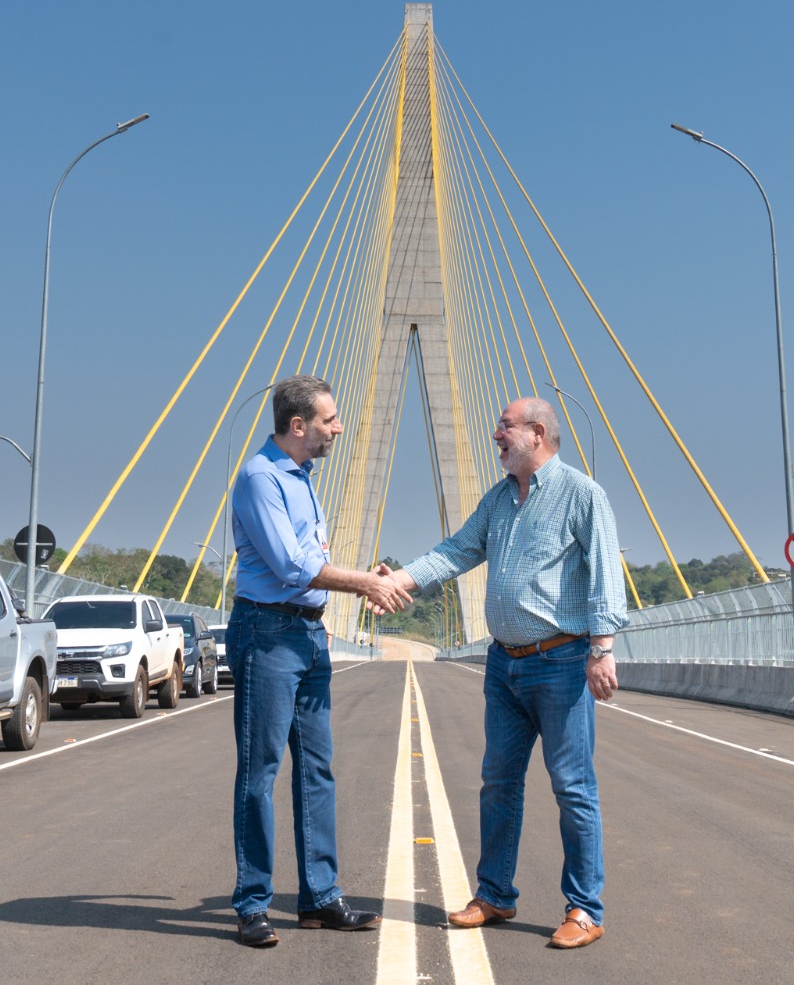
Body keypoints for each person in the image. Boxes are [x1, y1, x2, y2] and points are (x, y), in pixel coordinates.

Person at [377, 396, 626, 949]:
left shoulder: (582, 495)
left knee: (573, 788)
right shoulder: (498, 501)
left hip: (561, 662)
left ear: (537, 433)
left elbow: (608, 572)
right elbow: (456, 552)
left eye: (505, 427)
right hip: (505, 665)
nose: (496, 436)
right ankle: (494, 895)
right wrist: (399, 581)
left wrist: (602, 648)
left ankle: (584, 910)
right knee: (498, 784)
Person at [227, 374, 412, 948]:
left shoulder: (304, 479)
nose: (339, 428)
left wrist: (357, 583)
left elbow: (313, 560)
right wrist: (365, 585)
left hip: (308, 635)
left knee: (317, 770)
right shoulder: (260, 478)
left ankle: (320, 898)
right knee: (260, 772)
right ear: (299, 425)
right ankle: (253, 904)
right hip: (267, 634)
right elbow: (289, 566)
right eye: (330, 420)